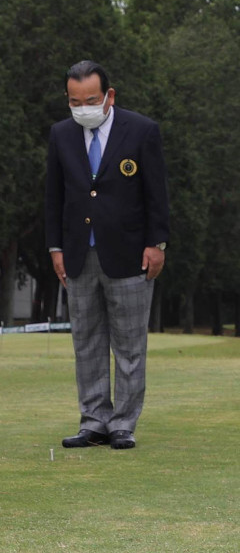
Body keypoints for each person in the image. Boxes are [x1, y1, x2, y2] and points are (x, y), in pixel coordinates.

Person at [45, 60, 169, 451]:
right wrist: (55, 247)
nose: (84, 107)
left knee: (130, 345)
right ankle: (93, 420)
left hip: (130, 254)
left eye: (92, 100)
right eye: (75, 101)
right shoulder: (61, 135)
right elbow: (54, 198)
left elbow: (157, 195)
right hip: (79, 254)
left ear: (109, 96)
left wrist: (157, 244)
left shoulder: (142, 130)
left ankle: (123, 423)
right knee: (86, 342)